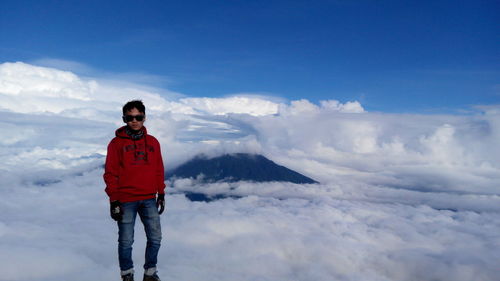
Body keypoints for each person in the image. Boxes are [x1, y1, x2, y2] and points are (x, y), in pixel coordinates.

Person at [104, 100, 166, 281]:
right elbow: (110, 173)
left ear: (144, 118)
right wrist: (114, 200)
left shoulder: (153, 142)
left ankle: (150, 274)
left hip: (149, 197)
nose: (134, 121)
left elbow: (158, 169)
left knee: (155, 238)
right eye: (130, 117)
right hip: (125, 199)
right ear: (124, 119)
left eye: (138, 117)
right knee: (125, 241)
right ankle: (127, 275)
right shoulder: (116, 143)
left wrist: (161, 193)